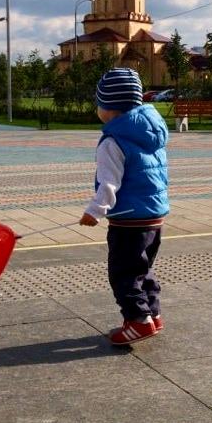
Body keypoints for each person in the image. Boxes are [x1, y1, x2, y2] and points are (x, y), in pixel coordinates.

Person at [79, 68, 169, 345]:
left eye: (99, 103)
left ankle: (138, 321)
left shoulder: (113, 140)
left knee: (123, 273)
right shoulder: (149, 132)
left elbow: (110, 182)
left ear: (109, 109)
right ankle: (152, 314)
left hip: (128, 220)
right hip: (154, 216)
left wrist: (95, 210)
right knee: (142, 268)